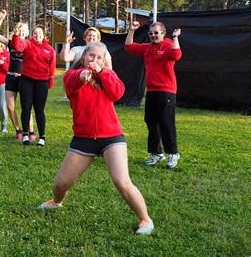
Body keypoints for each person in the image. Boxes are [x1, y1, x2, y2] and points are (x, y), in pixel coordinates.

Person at [37, 42, 154, 235]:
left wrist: (103, 72)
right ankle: (56, 202)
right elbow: (72, 82)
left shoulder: (108, 75)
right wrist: (83, 76)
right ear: (84, 57)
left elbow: (118, 92)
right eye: (91, 56)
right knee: (60, 184)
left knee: (122, 181)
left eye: (99, 57)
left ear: (104, 60)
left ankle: (145, 219)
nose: (94, 60)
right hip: (83, 138)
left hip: (112, 137)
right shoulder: (72, 76)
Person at [125, 21, 182, 168]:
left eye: (156, 32)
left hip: (167, 91)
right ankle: (156, 153)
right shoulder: (148, 48)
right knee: (151, 122)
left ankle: (173, 154)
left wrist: (175, 37)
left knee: (166, 122)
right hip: (151, 91)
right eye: (151, 33)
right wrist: (131, 31)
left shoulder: (168, 45)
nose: (153, 35)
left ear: (163, 33)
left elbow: (176, 55)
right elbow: (129, 47)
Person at [0, 10, 37, 141]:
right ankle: (18, 130)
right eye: (20, 30)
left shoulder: (30, 45)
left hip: (24, 78)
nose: (22, 32)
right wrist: (0, 19)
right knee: (10, 107)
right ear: (17, 31)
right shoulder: (11, 43)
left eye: (24, 31)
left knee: (26, 107)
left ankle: (31, 131)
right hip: (11, 77)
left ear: (27, 33)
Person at [11, 25, 56, 146]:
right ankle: (25, 135)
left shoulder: (50, 49)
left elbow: (52, 67)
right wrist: (16, 34)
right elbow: (17, 46)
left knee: (39, 110)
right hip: (26, 80)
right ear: (32, 35)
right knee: (26, 108)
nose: (37, 36)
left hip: (42, 82)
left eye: (40, 34)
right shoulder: (27, 44)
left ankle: (42, 137)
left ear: (44, 35)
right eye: (35, 33)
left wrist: (50, 82)